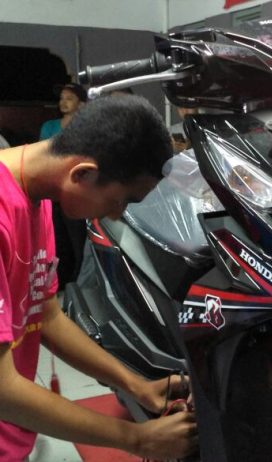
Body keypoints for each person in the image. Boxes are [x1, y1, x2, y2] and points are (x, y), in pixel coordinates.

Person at [0, 94, 197, 461]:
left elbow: (45, 315)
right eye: (122, 200)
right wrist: (137, 439)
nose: (118, 215)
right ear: (83, 174)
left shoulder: (35, 196)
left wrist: (136, 385)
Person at [39, 83, 89, 290]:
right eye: (61, 98)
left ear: (81, 104)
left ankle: (76, 285)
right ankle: (57, 283)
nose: (63, 102)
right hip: (52, 193)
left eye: (69, 98)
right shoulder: (49, 126)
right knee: (56, 242)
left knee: (78, 243)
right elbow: (44, 155)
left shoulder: (86, 127)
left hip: (76, 193)